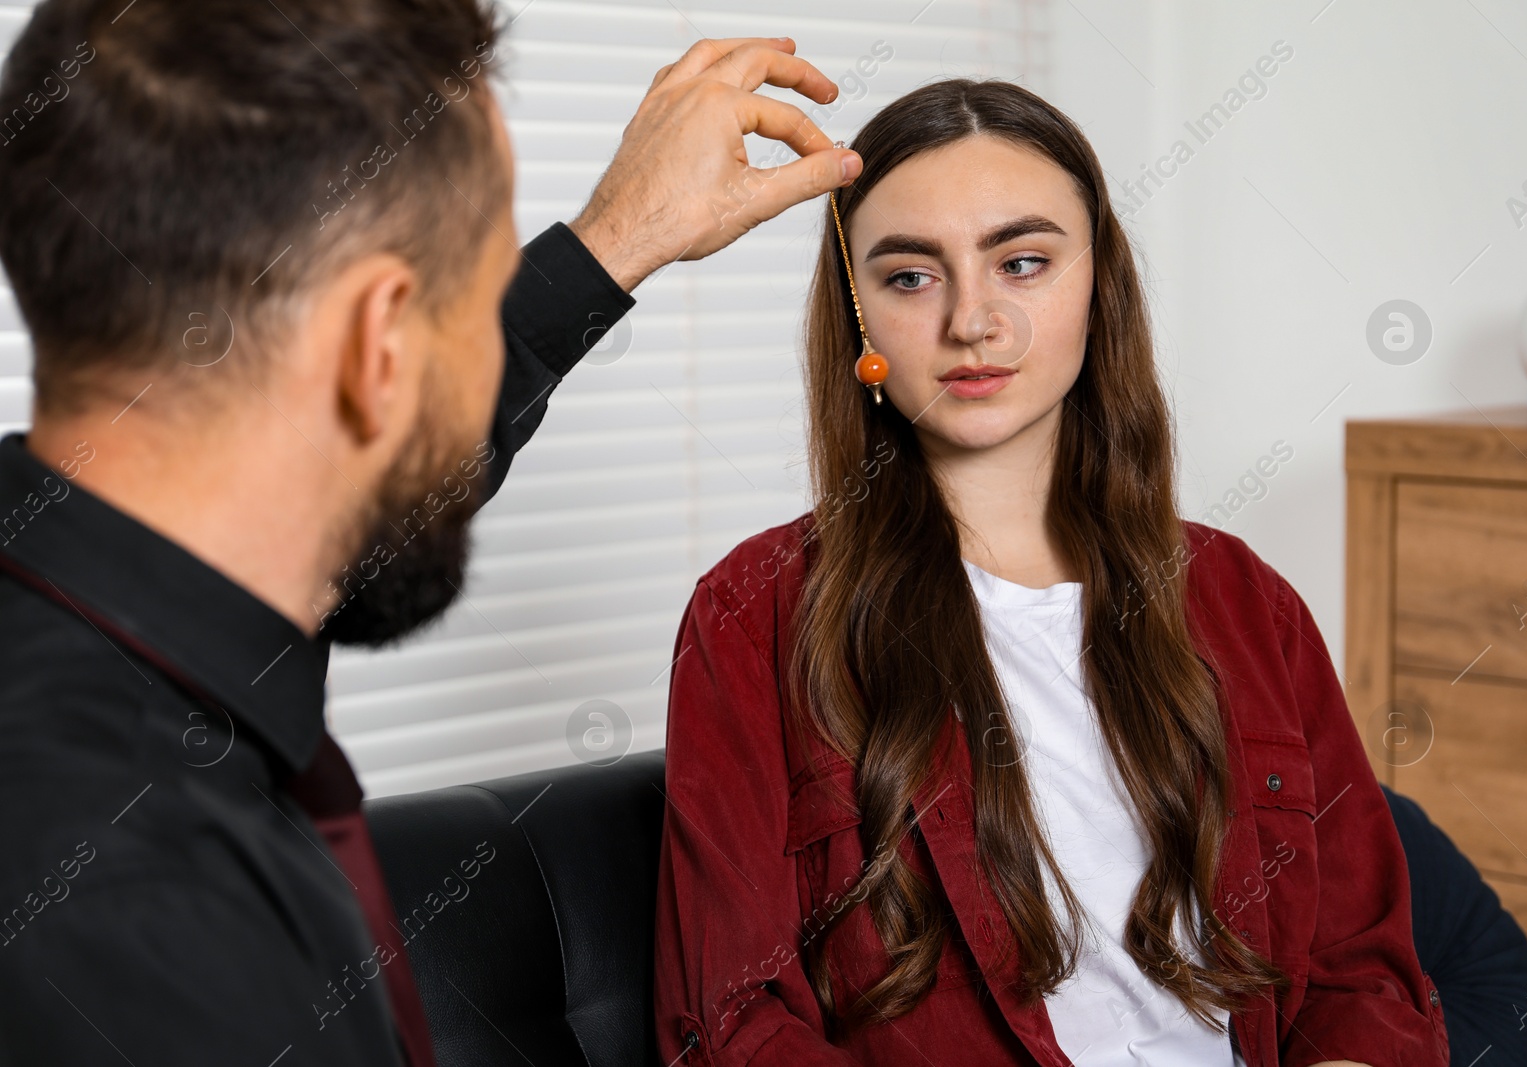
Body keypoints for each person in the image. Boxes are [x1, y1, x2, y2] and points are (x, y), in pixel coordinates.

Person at [0, 0, 861, 1063]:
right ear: (379, 346)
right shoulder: (171, 929)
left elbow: (330, 518)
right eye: (472, 300)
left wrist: (609, 245)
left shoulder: (91, 584)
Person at [652, 79, 1450, 1067]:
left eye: (1021, 263)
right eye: (910, 277)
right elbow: (733, 1027)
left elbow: (1356, 973)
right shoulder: (749, 616)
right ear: (857, 316)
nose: (973, 321)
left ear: (1096, 282)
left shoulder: (1245, 598)